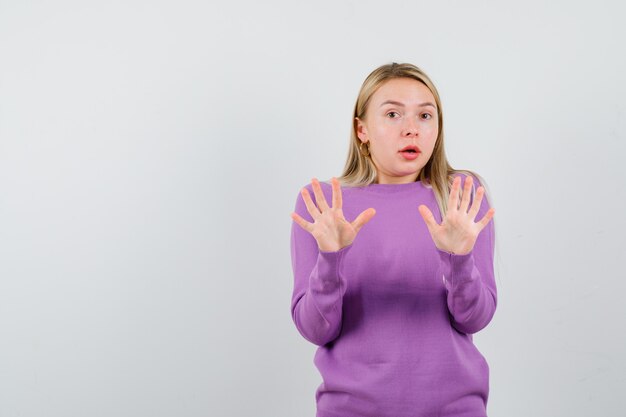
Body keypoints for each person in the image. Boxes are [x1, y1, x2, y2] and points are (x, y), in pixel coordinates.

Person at [289, 62, 497, 417]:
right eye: (393, 114)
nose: (411, 130)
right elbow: (315, 329)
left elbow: (474, 318)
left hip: (454, 409)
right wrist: (330, 259)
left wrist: (459, 261)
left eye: (425, 116)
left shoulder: (461, 195)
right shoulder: (325, 204)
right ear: (362, 130)